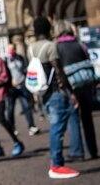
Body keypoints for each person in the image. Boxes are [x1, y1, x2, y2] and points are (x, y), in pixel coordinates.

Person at [28, 17, 80, 179]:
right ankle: (57, 165)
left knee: (56, 126)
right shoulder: (50, 46)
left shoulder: (31, 48)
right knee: (57, 128)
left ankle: (57, 162)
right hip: (56, 91)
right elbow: (58, 70)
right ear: (48, 29)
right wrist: (71, 92)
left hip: (44, 93)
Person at [54, 20, 97, 160]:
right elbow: (89, 62)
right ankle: (93, 150)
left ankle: (77, 151)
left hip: (72, 86)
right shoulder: (79, 44)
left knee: (73, 118)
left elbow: (59, 71)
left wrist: (68, 90)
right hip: (86, 83)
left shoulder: (58, 47)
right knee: (87, 118)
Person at [5, 43, 40, 136]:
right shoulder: (6, 60)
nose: (11, 50)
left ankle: (31, 126)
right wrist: (10, 82)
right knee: (10, 108)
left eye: (13, 48)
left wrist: (26, 79)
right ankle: (12, 128)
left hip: (22, 85)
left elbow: (25, 69)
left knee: (27, 106)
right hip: (12, 88)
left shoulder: (20, 58)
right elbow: (5, 73)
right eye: (9, 49)